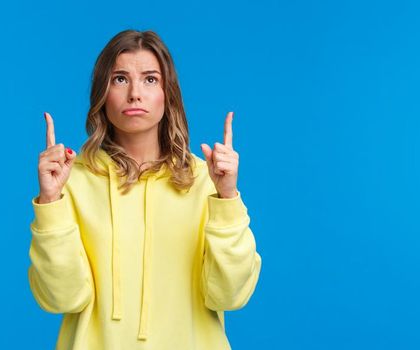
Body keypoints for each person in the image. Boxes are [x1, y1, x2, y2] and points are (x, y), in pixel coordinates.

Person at [28, 29, 261, 350]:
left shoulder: (207, 179)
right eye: (120, 79)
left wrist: (227, 199)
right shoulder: (71, 179)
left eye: (150, 79)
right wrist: (51, 203)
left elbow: (230, 295)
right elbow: (60, 298)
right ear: (102, 92)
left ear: (168, 93)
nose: (135, 93)